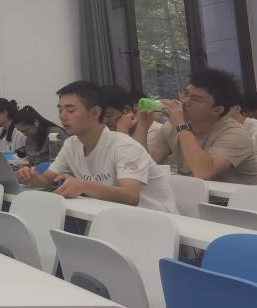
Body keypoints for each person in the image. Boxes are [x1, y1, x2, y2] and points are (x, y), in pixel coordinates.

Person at [17, 81, 177, 212]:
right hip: (112, 216)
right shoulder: (71, 144)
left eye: (70, 110)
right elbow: (46, 179)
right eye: (60, 110)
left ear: (94, 113)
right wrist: (33, 178)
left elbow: (130, 196)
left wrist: (83, 186)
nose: (63, 116)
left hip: (156, 220)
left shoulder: (124, 146)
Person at [135, 68, 257, 185]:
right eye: (185, 94)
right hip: (193, 196)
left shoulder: (235, 134)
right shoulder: (171, 127)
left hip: (234, 199)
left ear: (216, 110)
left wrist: (181, 125)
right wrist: (142, 126)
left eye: (196, 99)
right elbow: (144, 165)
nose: (184, 101)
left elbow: (203, 172)